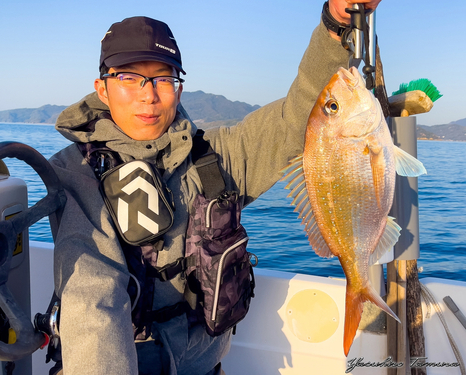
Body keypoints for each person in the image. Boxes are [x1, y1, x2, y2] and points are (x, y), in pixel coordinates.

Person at [49, 1, 382, 374]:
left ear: (178, 87)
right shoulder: (75, 172)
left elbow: (298, 118)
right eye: (129, 78)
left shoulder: (216, 156)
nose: (149, 95)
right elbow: (91, 298)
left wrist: (335, 23)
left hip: (204, 365)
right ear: (103, 89)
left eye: (163, 78)